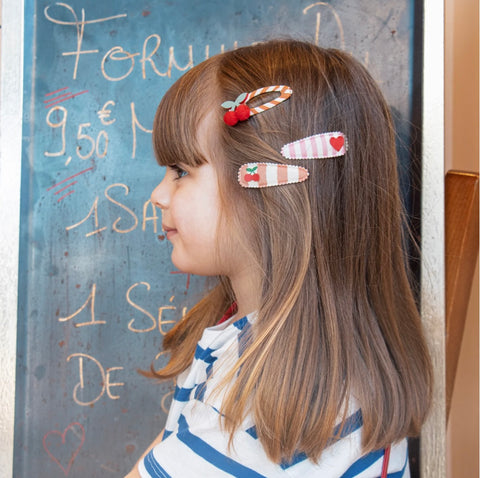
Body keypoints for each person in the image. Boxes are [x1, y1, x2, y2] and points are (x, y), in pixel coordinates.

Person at [126, 39, 432, 477]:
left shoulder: (262, 417)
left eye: (181, 172)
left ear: (268, 186)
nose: (158, 195)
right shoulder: (278, 357)